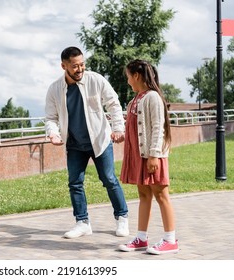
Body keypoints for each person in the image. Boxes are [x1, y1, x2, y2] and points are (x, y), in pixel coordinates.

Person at [45, 46, 129, 239]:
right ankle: (82, 223)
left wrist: (118, 129)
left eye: (82, 64)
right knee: (75, 183)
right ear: (63, 66)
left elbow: (113, 104)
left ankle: (122, 217)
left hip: (100, 140)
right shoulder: (55, 89)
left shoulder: (95, 80)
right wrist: (53, 133)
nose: (80, 69)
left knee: (109, 179)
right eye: (75, 66)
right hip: (74, 143)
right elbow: (50, 117)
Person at [118, 59, 179, 254]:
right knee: (144, 195)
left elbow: (158, 128)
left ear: (136, 76)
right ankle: (141, 238)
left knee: (161, 195)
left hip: (152, 155)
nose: (128, 81)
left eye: (128, 77)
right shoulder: (135, 99)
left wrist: (154, 155)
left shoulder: (153, 97)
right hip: (139, 156)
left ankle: (170, 240)